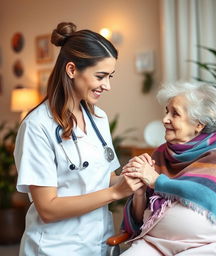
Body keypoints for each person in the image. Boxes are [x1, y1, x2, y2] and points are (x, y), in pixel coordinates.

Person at [14, 22, 144, 256]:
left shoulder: (98, 118)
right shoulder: (37, 126)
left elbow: (104, 179)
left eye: (110, 76)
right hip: (56, 248)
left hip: (99, 242)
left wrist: (133, 177)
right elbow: (48, 208)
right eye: (101, 76)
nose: (107, 86)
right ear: (72, 70)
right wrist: (116, 192)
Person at [121, 81, 216, 255]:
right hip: (154, 242)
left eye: (175, 114)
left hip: (209, 245)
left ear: (198, 124)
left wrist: (156, 180)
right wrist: (139, 192)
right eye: (166, 111)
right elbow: (139, 220)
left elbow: (206, 193)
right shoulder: (162, 153)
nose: (165, 119)